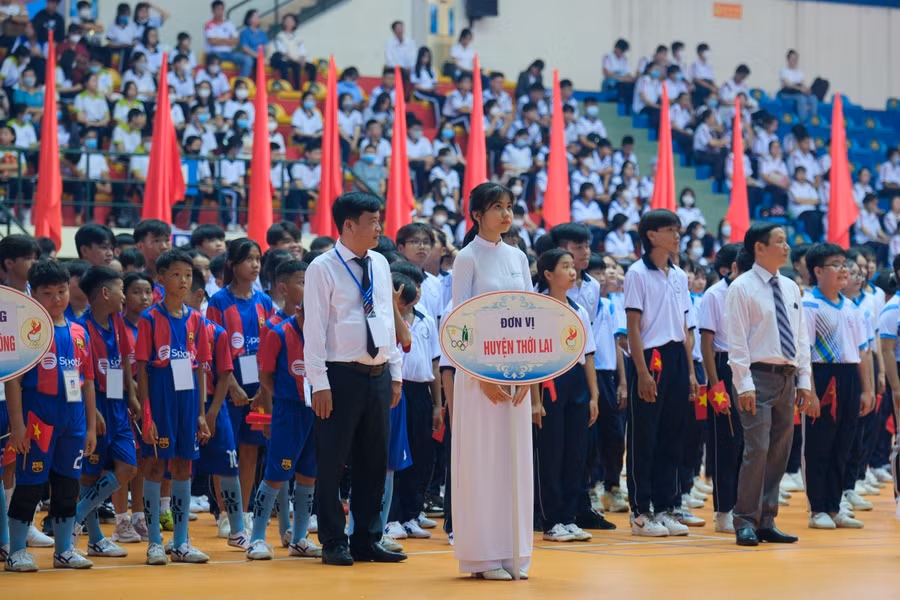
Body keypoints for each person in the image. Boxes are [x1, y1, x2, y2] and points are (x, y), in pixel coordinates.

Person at [303, 192, 406, 566]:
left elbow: (385, 319)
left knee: (373, 461)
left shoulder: (379, 262)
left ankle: (366, 538)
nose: (380, 227)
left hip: (377, 373)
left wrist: (395, 373)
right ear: (349, 225)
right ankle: (333, 539)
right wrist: (319, 382)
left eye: (380, 220)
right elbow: (313, 329)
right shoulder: (322, 267)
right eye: (373, 221)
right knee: (332, 460)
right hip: (339, 374)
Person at [451, 182, 533, 580]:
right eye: (496, 207)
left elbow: (533, 317)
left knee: (513, 462)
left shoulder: (518, 256)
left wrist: (532, 377)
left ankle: (514, 552)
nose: (505, 214)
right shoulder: (466, 258)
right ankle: (483, 557)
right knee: (484, 462)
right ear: (477, 215)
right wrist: (479, 375)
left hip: (517, 375)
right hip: (478, 376)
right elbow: (458, 324)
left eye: (509, 206)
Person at [4, 259, 97, 572]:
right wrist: (17, 426)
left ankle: (64, 550)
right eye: (48, 293)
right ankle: (16, 550)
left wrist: (91, 428)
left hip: (73, 423)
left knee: (69, 484)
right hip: (38, 421)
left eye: (62, 291)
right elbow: (13, 380)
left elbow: (88, 382)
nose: (57, 299)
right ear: (33, 293)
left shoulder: (79, 331)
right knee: (31, 484)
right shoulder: (27, 332)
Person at [725, 223, 813, 547]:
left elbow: (801, 338)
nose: (787, 247)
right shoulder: (742, 287)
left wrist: (804, 381)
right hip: (757, 377)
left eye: (786, 241)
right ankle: (744, 520)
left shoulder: (791, 287)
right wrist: (743, 385)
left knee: (779, 451)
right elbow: (736, 341)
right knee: (757, 448)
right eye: (780, 241)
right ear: (759, 248)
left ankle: (767, 520)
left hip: (787, 377)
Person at [624, 210, 698, 537]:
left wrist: (692, 373)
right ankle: (642, 511)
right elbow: (633, 328)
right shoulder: (637, 273)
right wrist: (641, 372)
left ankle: (668, 505)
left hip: (677, 357)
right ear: (651, 235)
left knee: (673, 434)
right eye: (670, 230)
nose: (677, 236)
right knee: (645, 436)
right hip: (649, 357)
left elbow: (683, 326)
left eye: (678, 230)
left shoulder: (679, 276)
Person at [136, 249, 212, 565]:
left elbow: (201, 368)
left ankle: (180, 541)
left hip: (188, 399)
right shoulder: (149, 319)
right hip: (161, 397)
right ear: (161, 279)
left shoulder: (197, 320)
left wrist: (201, 414)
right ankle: (155, 541)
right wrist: (147, 413)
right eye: (176, 274)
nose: (183, 280)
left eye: (188, 275)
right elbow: (140, 370)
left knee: (183, 466)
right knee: (154, 466)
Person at [247, 260, 323, 559]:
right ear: (299, 309)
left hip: (316, 409)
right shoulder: (277, 333)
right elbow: (265, 377)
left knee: (308, 475)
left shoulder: (324, 336)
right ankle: (256, 539)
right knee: (276, 474)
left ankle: (300, 539)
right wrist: (273, 409)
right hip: (288, 411)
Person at [69, 266, 141, 557]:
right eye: (122, 289)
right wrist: (91, 412)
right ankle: (96, 539)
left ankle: (73, 517)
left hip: (117, 404)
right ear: (104, 293)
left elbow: (124, 361)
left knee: (128, 466)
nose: (124, 296)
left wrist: (133, 395)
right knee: (89, 475)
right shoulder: (80, 328)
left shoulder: (118, 323)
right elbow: (76, 376)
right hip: (94, 403)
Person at [802, 244, 873, 530]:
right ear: (818, 271)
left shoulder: (851, 306)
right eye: (837, 264)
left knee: (845, 443)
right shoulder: (810, 305)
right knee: (820, 444)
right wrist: (810, 392)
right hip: (822, 375)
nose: (845, 270)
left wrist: (867, 389)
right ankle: (817, 508)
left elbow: (863, 351)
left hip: (849, 377)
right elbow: (803, 352)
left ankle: (834, 506)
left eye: (845, 264)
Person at [206, 239, 275, 525]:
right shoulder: (219, 302)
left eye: (258, 259)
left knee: (250, 451)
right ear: (233, 265)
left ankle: (244, 512)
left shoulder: (265, 302)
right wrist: (231, 384)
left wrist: (264, 388)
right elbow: (211, 347)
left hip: (258, 389)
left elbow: (272, 349)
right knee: (227, 451)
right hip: (228, 387)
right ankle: (225, 513)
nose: (255, 265)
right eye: (248, 259)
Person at [534, 249, 599, 543]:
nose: (573, 271)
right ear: (548, 274)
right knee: (552, 452)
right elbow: (533, 356)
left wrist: (594, 395)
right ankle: (551, 521)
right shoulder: (537, 309)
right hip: (549, 381)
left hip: (576, 382)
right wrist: (535, 400)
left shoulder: (580, 310)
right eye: (565, 266)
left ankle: (569, 518)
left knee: (576, 453)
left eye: (573, 266)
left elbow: (588, 356)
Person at [184, 268, 250, 548]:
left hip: (215, 405)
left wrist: (211, 413)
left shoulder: (216, 332)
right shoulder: (164, 325)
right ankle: (179, 535)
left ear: (198, 294)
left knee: (228, 464)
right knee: (180, 467)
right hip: (183, 405)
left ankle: (236, 529)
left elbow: (225, 373)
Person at [698, 243, 745, 534]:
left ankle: (744, 506)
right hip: (722, 366)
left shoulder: (751, 293)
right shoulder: (713, 295)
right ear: (732, 268)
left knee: (747, 442)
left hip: (748, 366)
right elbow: (706, 344)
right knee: (726, 442)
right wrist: (715, 386)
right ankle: (723, 510)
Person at [205, 0, 253, 77]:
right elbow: (212, 41)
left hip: (229, 53)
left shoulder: (229, 24)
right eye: (218, 9)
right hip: (214, 53)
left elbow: (236, 40)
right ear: (213, 11)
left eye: (222, 9)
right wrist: (229, 40)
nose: (220, 12)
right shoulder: (209, 25)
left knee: (247, 59)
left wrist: (219, 40)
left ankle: (240, 82)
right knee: (214, 63)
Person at [270, 13, 315, 90]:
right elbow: (282, 50)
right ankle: (293, 88)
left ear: (295, 23)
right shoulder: (280, 36)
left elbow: (302, 50)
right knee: (294, 66)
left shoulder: (298, 37)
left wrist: (302, 59)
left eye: (291, 21)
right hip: (286, 60)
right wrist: (295, 60)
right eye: (287, 21)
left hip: (298, 59)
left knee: (312, 67)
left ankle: (311, 87)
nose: (289, 23)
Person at [779, 50, 818, 123]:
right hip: (787, 93)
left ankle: (813, 120)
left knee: (813, 98)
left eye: (796, 58)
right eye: (792, 58)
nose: (794, 61)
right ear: (788, 59)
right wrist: (800, 89)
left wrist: (807, 89)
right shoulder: (784, 71)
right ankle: (803, 121)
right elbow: (788, 84)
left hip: (798, 92)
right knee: (802, 99)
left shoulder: (799, 72)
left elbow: (802, 83)